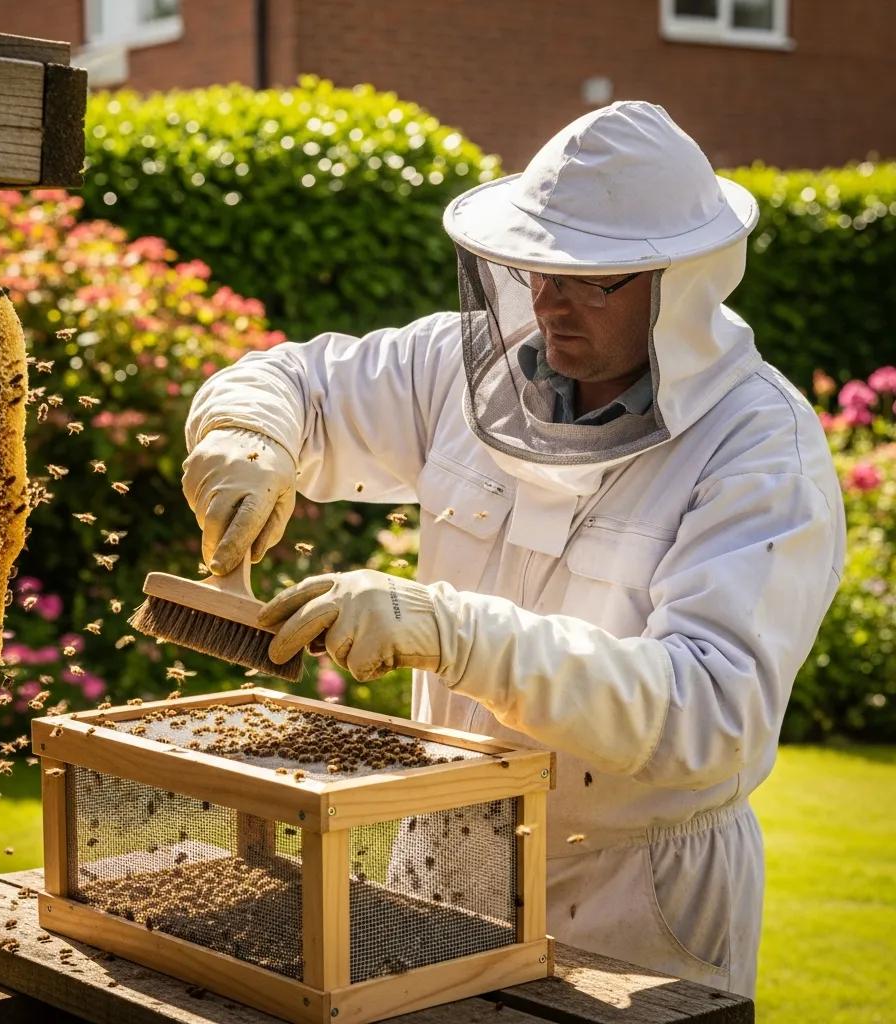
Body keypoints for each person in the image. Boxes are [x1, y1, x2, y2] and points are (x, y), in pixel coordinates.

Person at [181, 100, 845, 996]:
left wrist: (453, 633)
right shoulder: (462, 371)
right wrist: (248, 435)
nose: (545, 300)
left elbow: (708, 715)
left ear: (678, 279)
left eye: (588, 279)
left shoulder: (761, 449)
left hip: (628, 894)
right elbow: (297, 379)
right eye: (533, 268)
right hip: (433, 852)